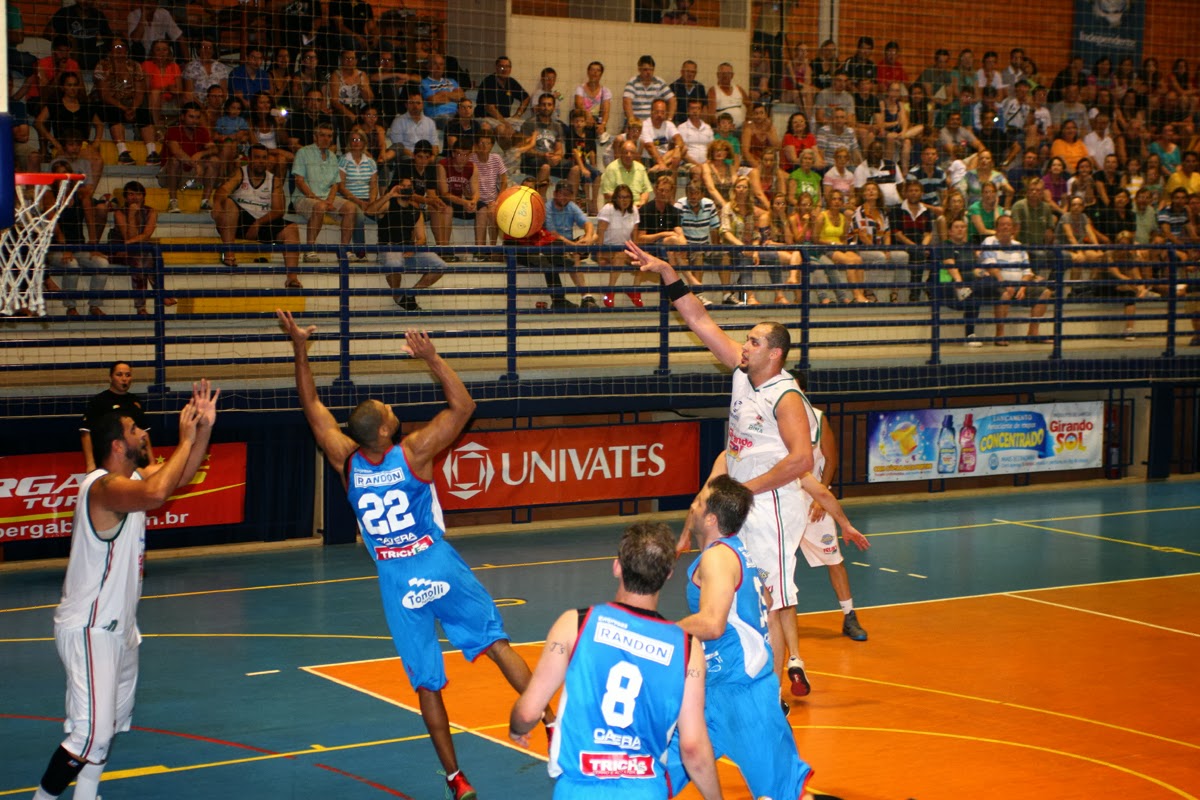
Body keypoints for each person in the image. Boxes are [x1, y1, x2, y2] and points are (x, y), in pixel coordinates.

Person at [276, 312, 554, 800]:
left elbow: (312, 406)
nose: (389, 405)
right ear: (383, 432)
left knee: (427, 685)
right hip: (435, 562)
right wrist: (431, 358)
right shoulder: (413, 453)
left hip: (397, 580)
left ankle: (456, 779)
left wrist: (300, 348)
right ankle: (551, 723)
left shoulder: (347, 460)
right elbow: (463, 406)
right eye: (385, 408)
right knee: (496, 643)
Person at [626, 241, 821, 694]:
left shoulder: (786, 397)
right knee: (731, 584)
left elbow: (801, 460)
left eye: (754, 341)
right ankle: (731, 670)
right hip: (743, 497)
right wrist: (666, 271)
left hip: (770, 503)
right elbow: (698, 318)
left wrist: (745, 488)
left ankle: (770, 694)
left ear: (774, 354)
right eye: (747, 339)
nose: (745, 345)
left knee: (771, 599)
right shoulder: (741, 370)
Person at [29, 381, 218, 800]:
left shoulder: (128, 478)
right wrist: (185, 436)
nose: (143, 433)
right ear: (117, 444)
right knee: (89, 733)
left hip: (120, 626)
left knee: (109, 724)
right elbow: (156, 492)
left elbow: (178, 477)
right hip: (91, 627)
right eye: (135, 430)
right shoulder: (103, 488)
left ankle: (86, 795)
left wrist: (203, 429)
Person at [508, 522, 722, 800]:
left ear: (617, 567)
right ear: (668, 575)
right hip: (644, 790)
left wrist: (517, 728)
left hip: (578, 789)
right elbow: (692, 746)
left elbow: (528, 712)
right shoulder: (687, 649)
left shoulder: (575, 625)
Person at [213, 144, 304, 287]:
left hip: (262, 222)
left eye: (264, 158)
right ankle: (229, 253)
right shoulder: (240, 173)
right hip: (238, 221)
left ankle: (292, 277)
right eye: (257, 157)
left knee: (292, 228)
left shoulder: (274, 180)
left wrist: (258, 223)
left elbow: (279, 210)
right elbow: (223, 190)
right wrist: (217, 204)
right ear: (249, 159)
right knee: (228, 204)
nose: (261, 161)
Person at [366, 174, 448, 311]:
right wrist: (389, 195)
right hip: (389, 247)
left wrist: (413, 249)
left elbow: (422, 238)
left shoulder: (416, 212)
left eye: (408, 187)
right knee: (394, 264)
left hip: (409, 250)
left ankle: (411, 294)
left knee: (441, 265)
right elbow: (368, 211)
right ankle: (398, 297)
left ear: (413, 190)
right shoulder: (388, 204)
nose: (405, 189)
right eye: (402, 186)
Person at [980, 214, 1053, 345]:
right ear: (996, 228)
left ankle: (1032, 334)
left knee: (1045, 292)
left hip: (1019, 284)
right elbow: (991, 267)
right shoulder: (989, 241)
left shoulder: (1018, 246)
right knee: (1005, 293)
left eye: (1009, 224)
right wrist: (1005, 283)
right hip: (997, 283)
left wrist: (1023, 287)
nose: (1006, 227)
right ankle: (1000, 335)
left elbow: (1027, 271)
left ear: (1013, 229)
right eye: (1002, 224)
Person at [292, 123, 358, 262]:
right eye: (322, 135)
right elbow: (299, 181)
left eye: (329, 136)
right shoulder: (303, 152)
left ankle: (343, 250)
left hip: (327, 197)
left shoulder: (333, 157)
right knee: (320, 207)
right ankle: (309, 250)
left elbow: (335, 183)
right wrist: (318, 200)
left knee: (351, 208)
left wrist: (329, 200)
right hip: (304, 197)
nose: (326, 139)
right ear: (315, 137)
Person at [109, 180, 174, 315]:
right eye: (131, 194)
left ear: (143, 196)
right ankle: (160, 294)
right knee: (142, 257)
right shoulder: (119, 213)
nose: (135, 198)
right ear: (126, 197)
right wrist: (132, 216)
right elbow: (128, 238)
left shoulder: (150, 211)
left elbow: (146, 235)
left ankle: (142, 307)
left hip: (139, 252)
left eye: (138, 194)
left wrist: (131, 241)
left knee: (146, 256)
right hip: (119, 252)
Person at [79, 362, 151, 472]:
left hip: (135, 463)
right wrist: (90, 464)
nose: (124, 379)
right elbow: (85, 433)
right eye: (119, 374)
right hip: (109, 463)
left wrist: (151, 461)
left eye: (128, 375)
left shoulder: (135, 401)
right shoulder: (99, 401)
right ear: (111, 378)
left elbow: (144, 434)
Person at [160, 102, 220, 213]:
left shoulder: (202, 131)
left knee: (215, 160)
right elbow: (176, 152)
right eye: (191, 117)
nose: (194, 121)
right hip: (170, 175)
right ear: (182, 117)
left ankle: (205, 202)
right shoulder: (173, 130)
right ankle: (173, 201)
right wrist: (196, 164)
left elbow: (215, 149)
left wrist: (201, 154)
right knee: (174, 161)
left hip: (193, 175)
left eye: (197, 117)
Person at [623, 54, 675, 125]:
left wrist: (669, 119)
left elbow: (672, 100)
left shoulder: (659, 82)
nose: (648, 72)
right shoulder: (633, 83)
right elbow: (626, 102)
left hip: (655, 124)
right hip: (638, 124)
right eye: (645, 70)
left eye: (651, 69)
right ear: (639, 69)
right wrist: (633, 122)